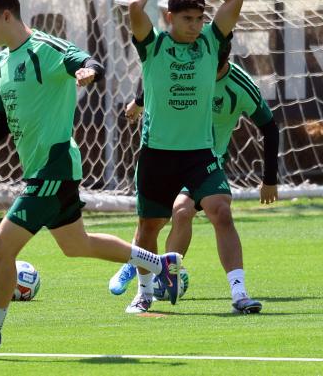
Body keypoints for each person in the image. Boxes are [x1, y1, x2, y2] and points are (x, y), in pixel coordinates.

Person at [0, 0, 182, 355]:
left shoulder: (44, 49)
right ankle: (159, 264)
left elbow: (88, 62)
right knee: (76, 245)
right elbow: (1, 123)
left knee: (1, 249)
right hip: (43, 169)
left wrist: (88, 74)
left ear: (6, 15)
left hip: (54, 166)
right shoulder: (3, 62)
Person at [119, 0, 261, 315]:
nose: (196, 25)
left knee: (221, 211)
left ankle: (239, 294)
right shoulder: (153, 47)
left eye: (200, 19)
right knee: (149, 227)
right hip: (157, 153)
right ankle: (145, 293)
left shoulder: (212, 42)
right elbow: (135, 8)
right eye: (188, 19)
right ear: (170, 17)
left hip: (199, 153)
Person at [110, 41, 279, 309]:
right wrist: (138, 102)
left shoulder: (239, 85)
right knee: (157, 219)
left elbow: (269, 126)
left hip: (205, 160)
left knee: (214, 211)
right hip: (167, 153)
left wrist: (269, 178)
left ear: (220, 61)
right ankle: (151, 270)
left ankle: (239, 293)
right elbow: (160, 78)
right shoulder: (186, 67)